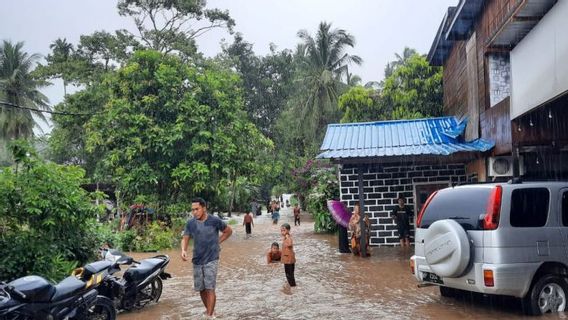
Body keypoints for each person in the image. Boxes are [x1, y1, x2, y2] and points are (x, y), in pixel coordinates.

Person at [181, 198, 233, 319]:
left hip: (212, 258)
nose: (194, 212)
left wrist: (218, 242)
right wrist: (183, 250)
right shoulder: (190, 223)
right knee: (201, 289)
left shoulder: (214, 220)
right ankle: (211, 311)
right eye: (192, 210)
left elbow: (228, 231)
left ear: (204, 208)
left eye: (197, 209)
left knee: (210, 288)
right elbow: (185, 238)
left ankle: (209, 316)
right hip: (197, 259)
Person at [280, 223, 296, 287]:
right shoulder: (286, 238)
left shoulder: (288, 237)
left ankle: (292, 287)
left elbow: (289, 244)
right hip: (289, 259)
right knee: (290, 274)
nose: (282, 232)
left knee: (289, 274)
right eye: (281, 230)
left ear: (288, 230)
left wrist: (287, 237)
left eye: (284, 230)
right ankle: (292, 286)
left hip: (288, 260)